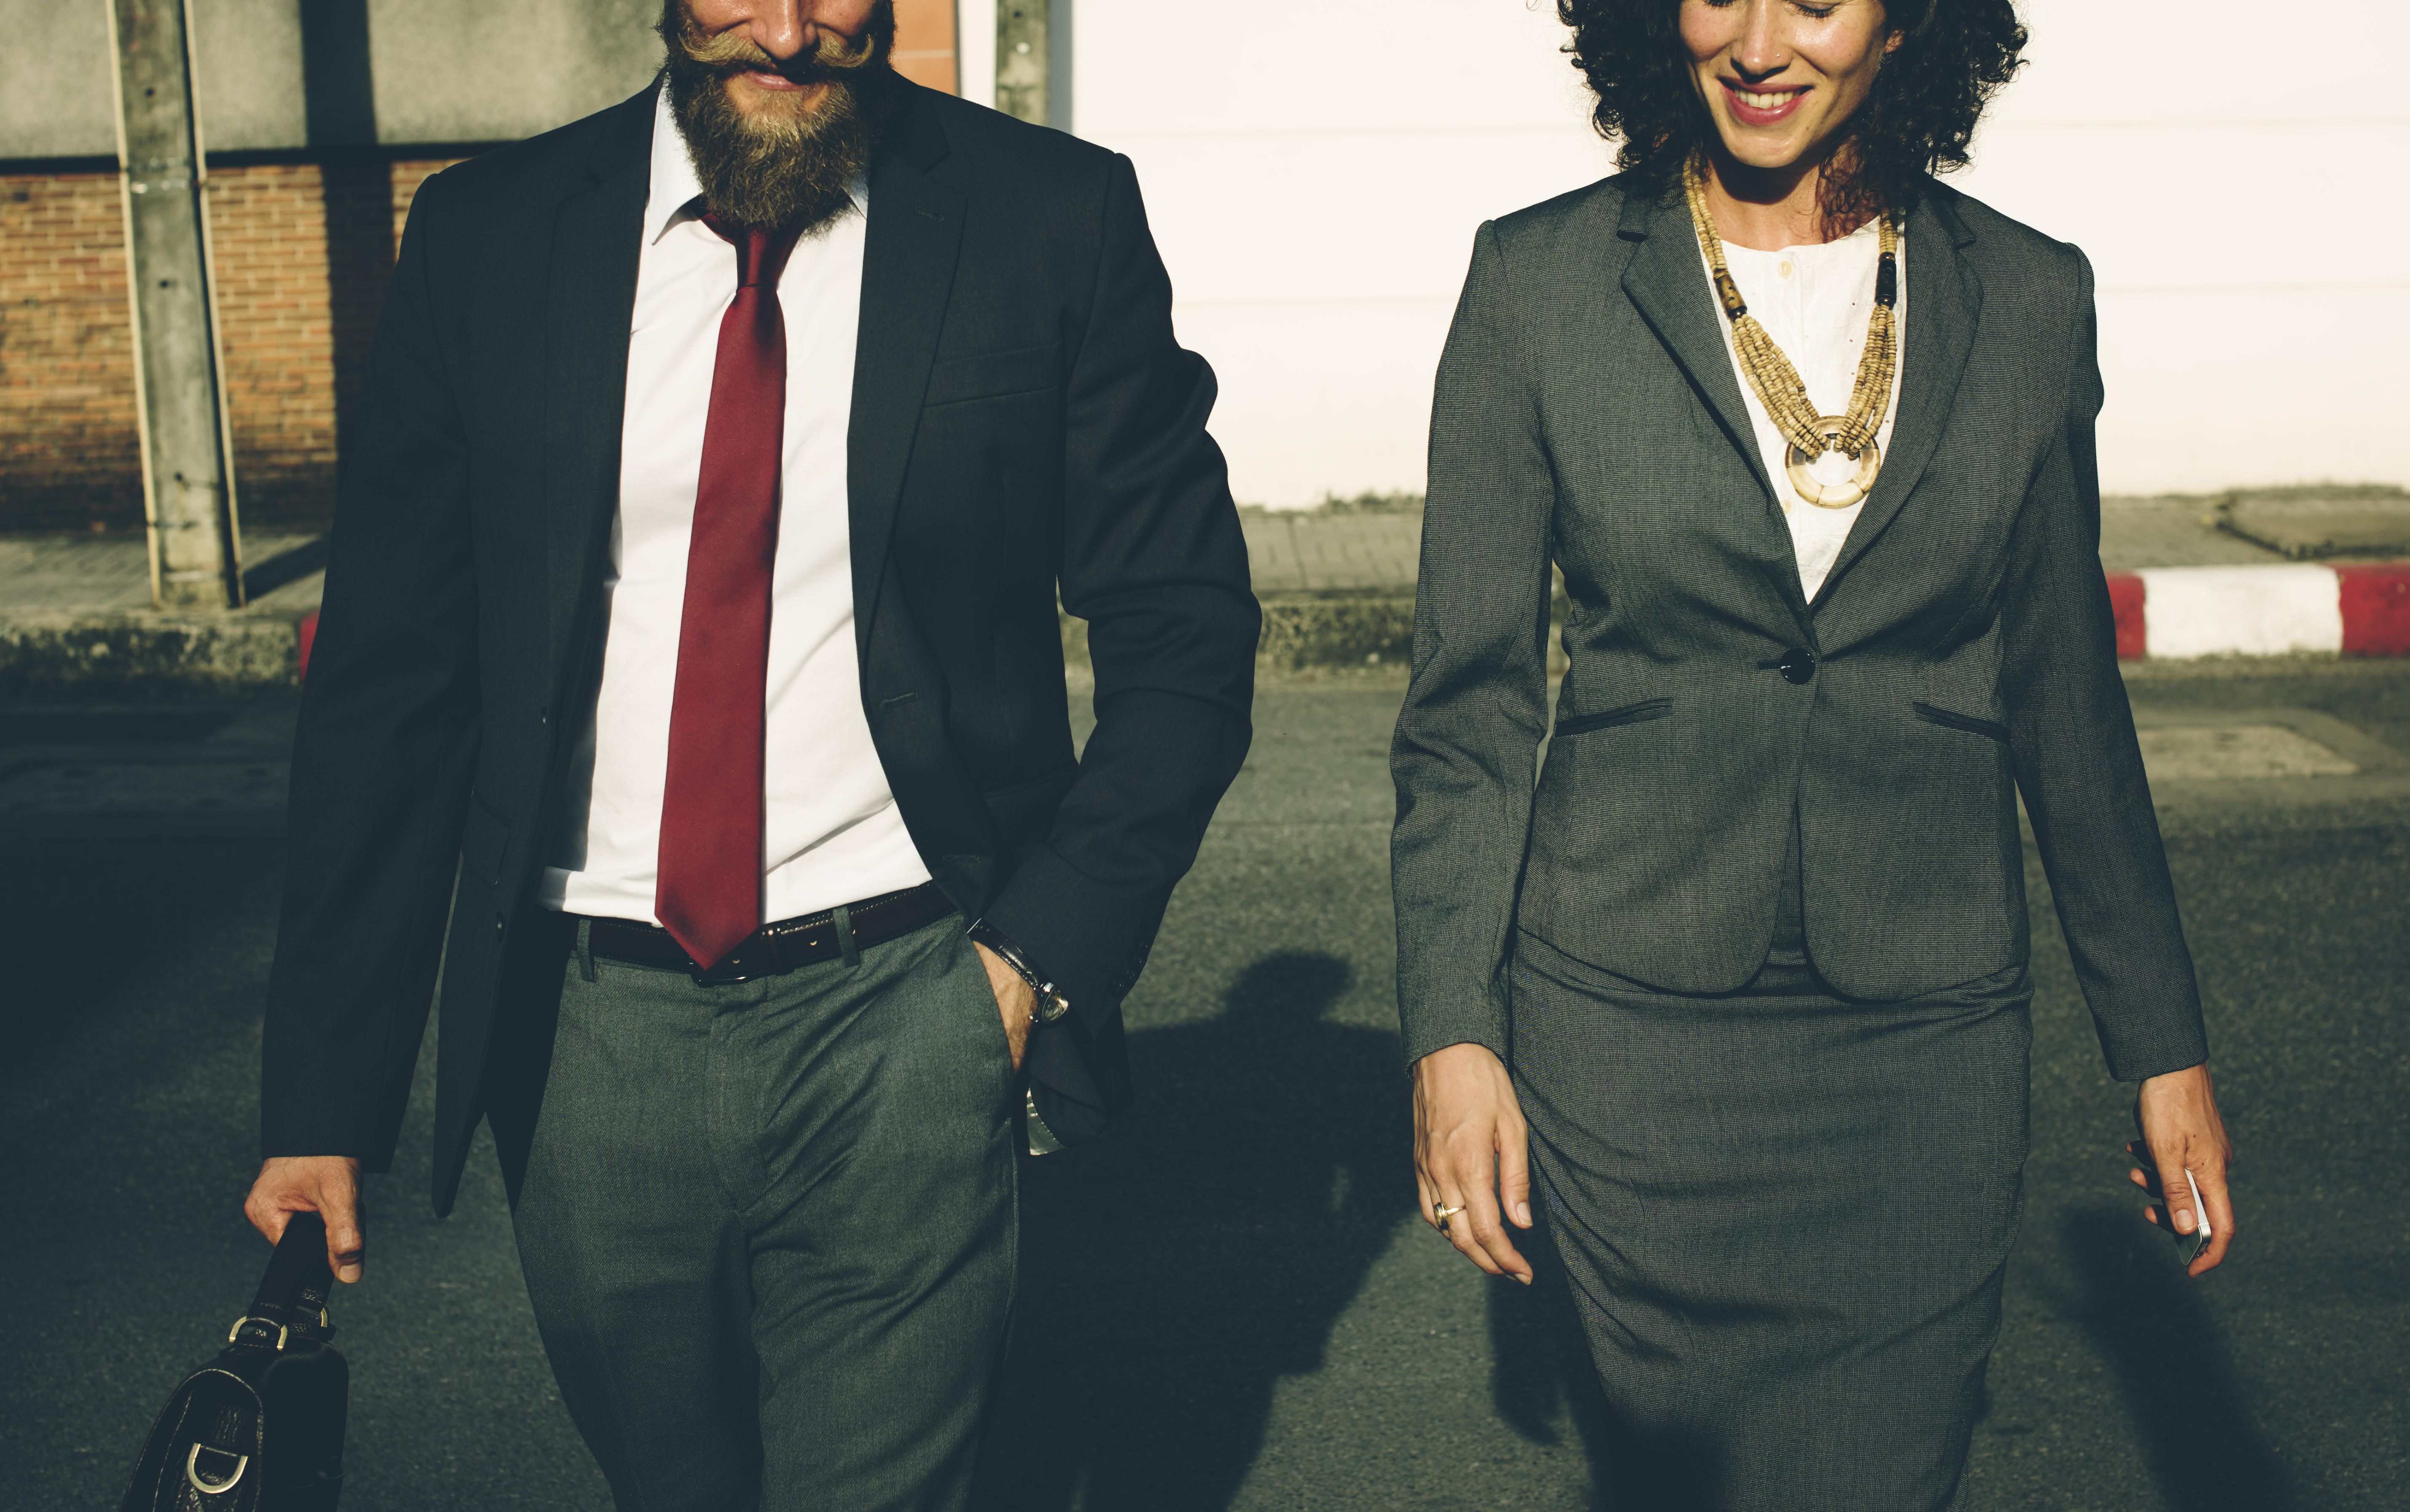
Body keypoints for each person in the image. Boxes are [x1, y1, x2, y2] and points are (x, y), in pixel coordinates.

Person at [241, 1, 1258, 1507]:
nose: (787, 28)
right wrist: (321, 1106)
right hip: (587, 1038)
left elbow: (1185, 628)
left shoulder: (1050, 219)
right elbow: (396, 688)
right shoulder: (488, 237)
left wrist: (1032, 964)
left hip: (910, 1005)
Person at [1391, 1, 2235, 1507]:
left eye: (1821, 0)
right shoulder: (1539, 284)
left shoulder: (2031, 298)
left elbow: (2065, 698)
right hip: (1628, 1031)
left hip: (1921, 1050)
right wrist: (1454, 1032)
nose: (1762, 41)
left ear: (1911, 27)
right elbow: (1469, 708)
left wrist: (2159, 1042)